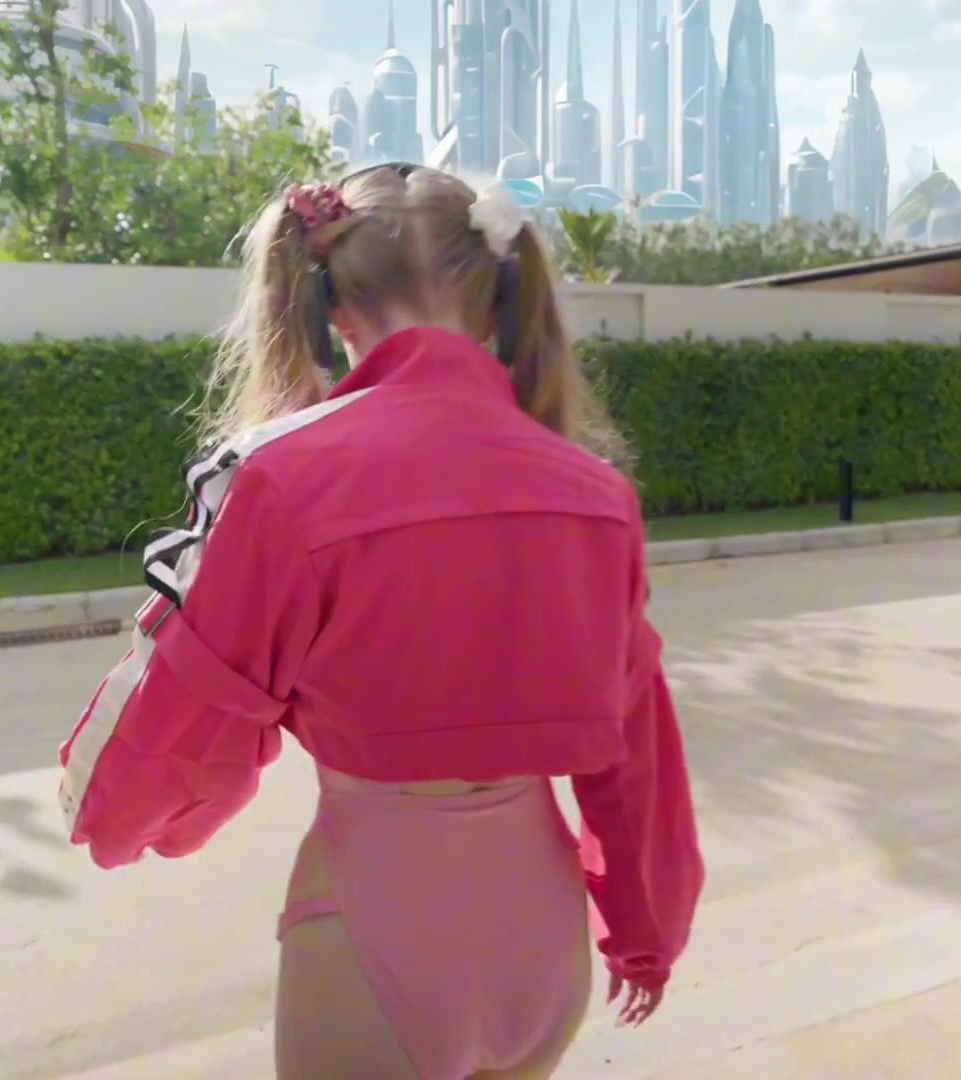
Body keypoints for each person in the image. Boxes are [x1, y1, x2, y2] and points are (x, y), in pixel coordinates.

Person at [57, 163, 705, 1079]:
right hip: (541, 933)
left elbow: (197, 699)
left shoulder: (287, 476)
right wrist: (646, 932)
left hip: (371, 936)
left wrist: (119, 816)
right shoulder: (598, 494)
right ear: (498, 302)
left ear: (331, 308)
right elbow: (637, 751)